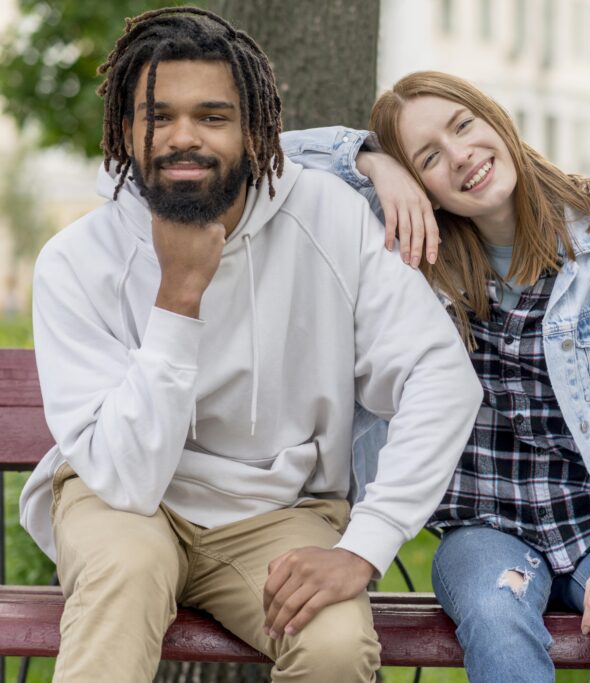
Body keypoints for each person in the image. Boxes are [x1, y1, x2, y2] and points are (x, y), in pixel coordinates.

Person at [19, 9, 481, 682]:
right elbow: (125, 476)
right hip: (123, 501)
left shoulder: (329, 218)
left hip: (279, 512)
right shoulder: (76, 260)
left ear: (255, 129)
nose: (184, 138)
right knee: (121, 580)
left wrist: (365, 545)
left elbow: (441, 376)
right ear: (125, 130)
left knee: (334, 647)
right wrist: (179, 295)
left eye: (212, 116)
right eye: (159, 116)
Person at [283, 71, 590, 683]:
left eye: (463, 126)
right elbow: (265, 156)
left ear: (494, 118)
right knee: (497, 622)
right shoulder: (411, 253)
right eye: (428, 157)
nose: (460, 156)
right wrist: (371, 161)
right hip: (485, 526)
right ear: (419, 184)